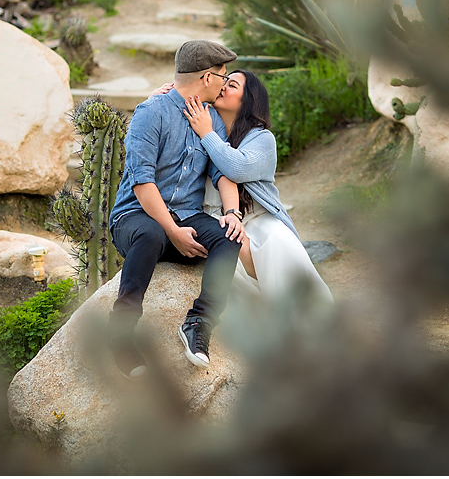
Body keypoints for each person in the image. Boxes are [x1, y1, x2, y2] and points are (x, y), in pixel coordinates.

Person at [108, 40, 246, 379]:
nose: (224, 84)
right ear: (206, 78)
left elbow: (220, 172)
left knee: (229, 238)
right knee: (152, 232)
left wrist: (232, 213)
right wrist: (173, 232)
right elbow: (142, 183)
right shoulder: (150, 112)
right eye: (222, 77)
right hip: (137, 218)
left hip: (187, 215)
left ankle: (199, 322)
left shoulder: (210, 117)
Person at [155, 69, 334, 308]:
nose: (223, 86)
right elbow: (157, 133)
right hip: (209, 220)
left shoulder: (262, 138)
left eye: (232, 85)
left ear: (248, 100)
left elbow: (236, 168)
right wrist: (159, 98)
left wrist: (207, 133)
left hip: (255, 218)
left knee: (276, 242)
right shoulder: (199, 123)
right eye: (223, 81)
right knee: (227, 251)